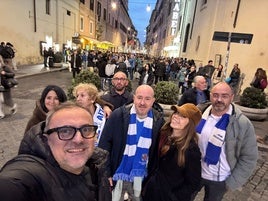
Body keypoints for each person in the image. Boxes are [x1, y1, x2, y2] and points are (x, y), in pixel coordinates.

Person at [0, 102, 109, 201]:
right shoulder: (28, 177)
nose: (78, 139)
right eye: (65, 131)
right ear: (46, 138)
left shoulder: (96, 166)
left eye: (86, 129)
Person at [193, 82, 258, 201]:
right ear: (210, 95)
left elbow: (249, 157)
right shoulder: (199, 113)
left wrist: (231, 182)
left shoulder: (242, 123)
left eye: (224, 96)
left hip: (219, 179)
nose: (219, 99)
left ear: (232, 97)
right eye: (215, 95)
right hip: (194, 172)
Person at [98, 85, 165, 201]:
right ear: (134, 98)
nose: (142, 102)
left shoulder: (158, 121)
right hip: (117, 174)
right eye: (139, 98)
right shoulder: (118, 115)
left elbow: (158, 153)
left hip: (142, 177)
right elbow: (104, 145)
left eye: (147, 99)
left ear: (153, 101)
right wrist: (106, 172)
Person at [142, 103, 202, 201]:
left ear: (190, 123)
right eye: (176, 113)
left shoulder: (191, 150)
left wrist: (173, 197)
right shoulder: (163, 135)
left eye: (183, 116)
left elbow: (193, 182)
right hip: (151, 192)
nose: (176, 116)